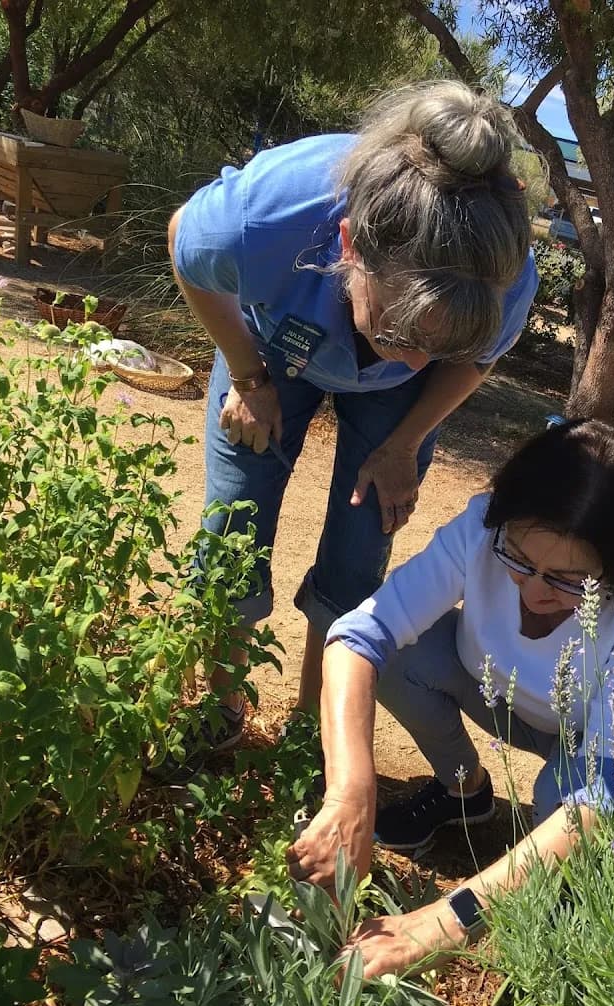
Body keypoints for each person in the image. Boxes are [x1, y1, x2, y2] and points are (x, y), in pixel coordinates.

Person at [167, 81, 538, 752]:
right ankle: (218, 710)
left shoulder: (501, 270)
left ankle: (312, 729)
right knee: (234, 521)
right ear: (348, 245)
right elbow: (184, 246)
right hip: (273, 343)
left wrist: (406, 441)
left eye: (439, 344)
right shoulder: (272, 210)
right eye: (401, 333)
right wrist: (247, 376)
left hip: (389, 405)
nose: (419, 360)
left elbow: (471, 361)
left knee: (362, 539)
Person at [286, 419, 614, 978]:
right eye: (519, 559)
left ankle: (557, 938)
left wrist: (443, 919)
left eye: (569, 580)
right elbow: (358, 638)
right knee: (398, 659)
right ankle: (464, 793)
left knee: (564, 825)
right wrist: (350, 795)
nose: (534, 591)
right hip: (499, 691)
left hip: (606, 754)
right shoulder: (484, 524)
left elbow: (606, 791)